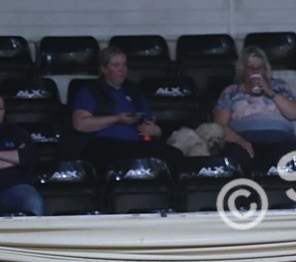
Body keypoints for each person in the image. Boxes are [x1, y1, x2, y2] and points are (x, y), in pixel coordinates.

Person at [68, 45, 184, 177]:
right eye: (116, 65)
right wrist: (116, 119)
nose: (122, 70)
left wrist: (156, 131)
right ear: (103, 68)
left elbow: (150, 124)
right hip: (103, 146)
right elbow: (80, 124)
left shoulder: (134, 91)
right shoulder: (90, 91)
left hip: (135, 145)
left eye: (124, 65)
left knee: (174, 155)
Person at [213, 46, 296, 174]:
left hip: (280, 141)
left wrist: (270, 92)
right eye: (250, 67)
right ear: (243, 70)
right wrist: (239, 140)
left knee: (292, 159)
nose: (255, 71)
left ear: (265, 70)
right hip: (242, 141)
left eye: (259, 68)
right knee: (234, 157)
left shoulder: (279, 86)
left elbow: (295, 114)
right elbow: (219, 125)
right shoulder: (232, 91)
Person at [0, 95, 45, 216]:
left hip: (13, 187)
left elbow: (32, 156)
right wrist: (15, 159)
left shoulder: (14, 131)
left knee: (32, 200)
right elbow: (23, 157)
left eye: (0, 108)